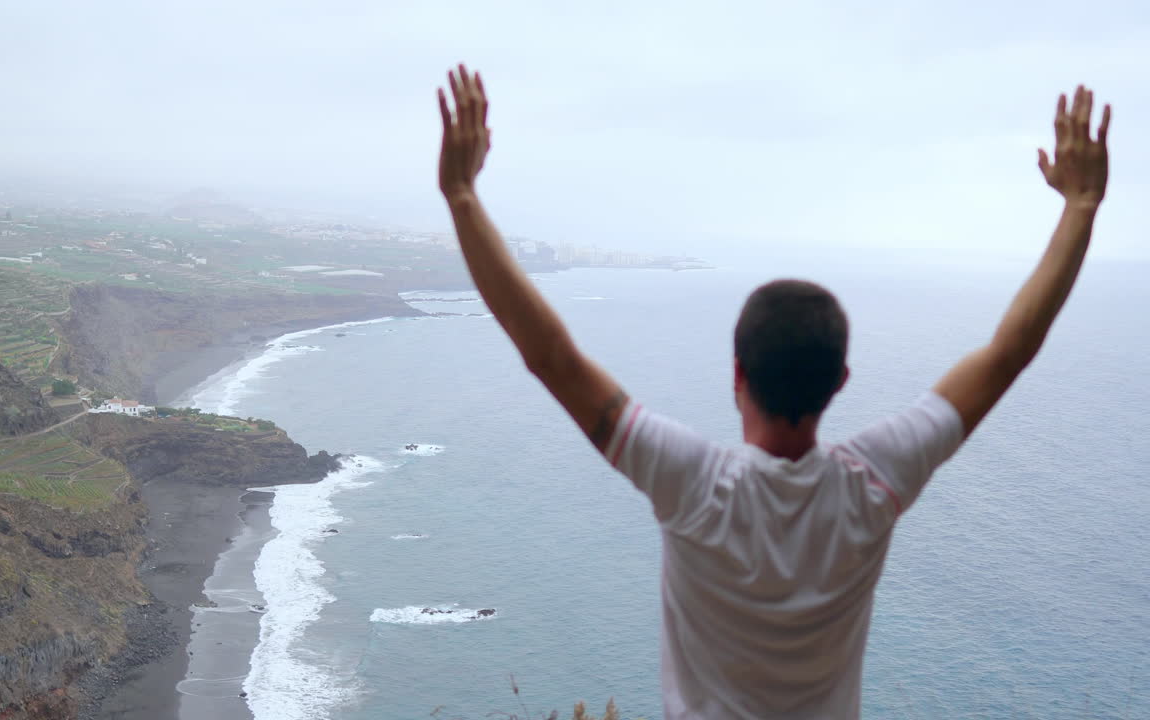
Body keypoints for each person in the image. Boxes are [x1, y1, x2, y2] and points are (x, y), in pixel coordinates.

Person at [435, 65, 1111, 719]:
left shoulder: (693, 484)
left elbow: (551, 357)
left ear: (736, 375)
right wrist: (1081, 205)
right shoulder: (871, 486)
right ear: (839, 382)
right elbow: (1007, 355)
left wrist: (463, 196)